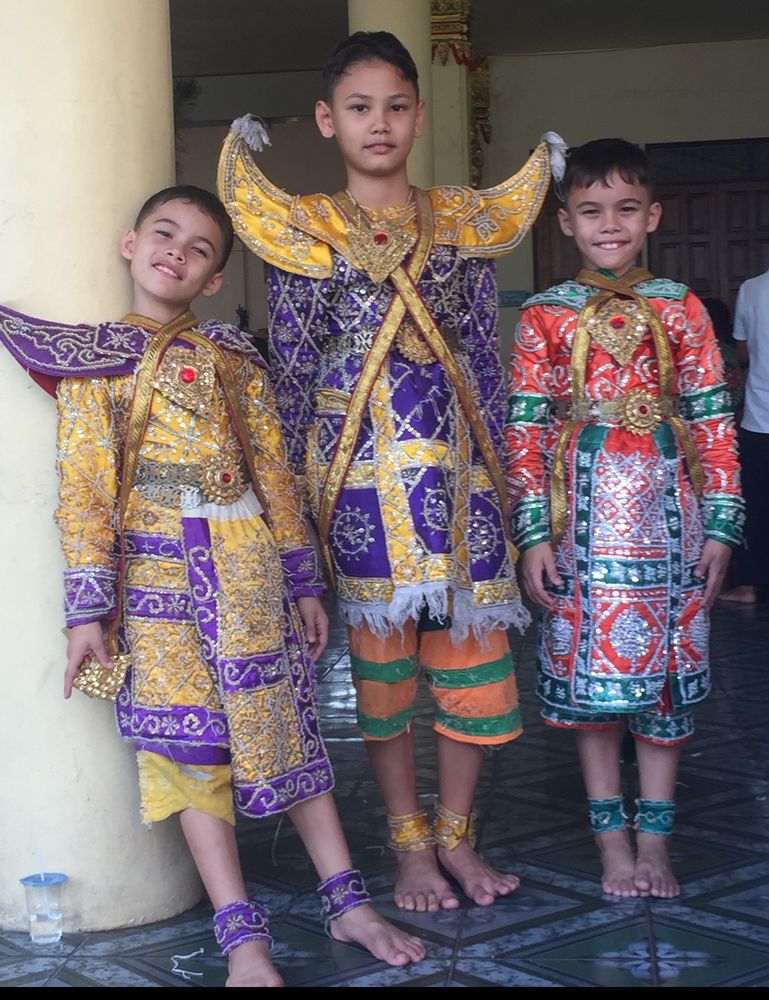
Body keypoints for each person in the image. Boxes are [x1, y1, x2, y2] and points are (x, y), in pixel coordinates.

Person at [0, 185, 425, 986]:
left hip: (248, 572)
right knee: (187, 750)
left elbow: (272, 471)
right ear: (130, 244)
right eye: (165, 234)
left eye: (200, 249)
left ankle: (348, 902)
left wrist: (302, 579)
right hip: (156, 579)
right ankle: (241, 938)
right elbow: (86, 490)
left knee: (285, 734)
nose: (178, 251)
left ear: (211, 281)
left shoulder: (233, 359)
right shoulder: (94, 361)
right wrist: (86, 610)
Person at [217, 31, 565, 913]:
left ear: (418, 117)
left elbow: (482, 362)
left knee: (471, 665)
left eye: (397, 106)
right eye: (361, 108)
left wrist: (519, 497)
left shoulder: (457, 222)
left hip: (460, 482)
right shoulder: (303, 230)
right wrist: (291, 511)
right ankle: (407, 848)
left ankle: (457, 837)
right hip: (357, 483)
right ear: (329, 121)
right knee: (382, 678)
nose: (381, 123)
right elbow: (292, 374)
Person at [505, 139, 743, 899]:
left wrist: (721, 525)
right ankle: (612, 844)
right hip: (581, 527)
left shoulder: (680, 307)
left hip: (671, 521)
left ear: (652, 215)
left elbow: (711, 420)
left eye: (625, 209)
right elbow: (525, 432)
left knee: (665, 688)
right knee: (593, 693)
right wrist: (533, 533)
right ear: (566, 221)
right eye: (590, 210)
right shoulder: (544, 315)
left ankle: (656, 842)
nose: (609, 224)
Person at [716, 271, 769, 605]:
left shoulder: (752, 288)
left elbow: (745, 354)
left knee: (758, 505)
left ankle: (748, 585)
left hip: (761, 417)